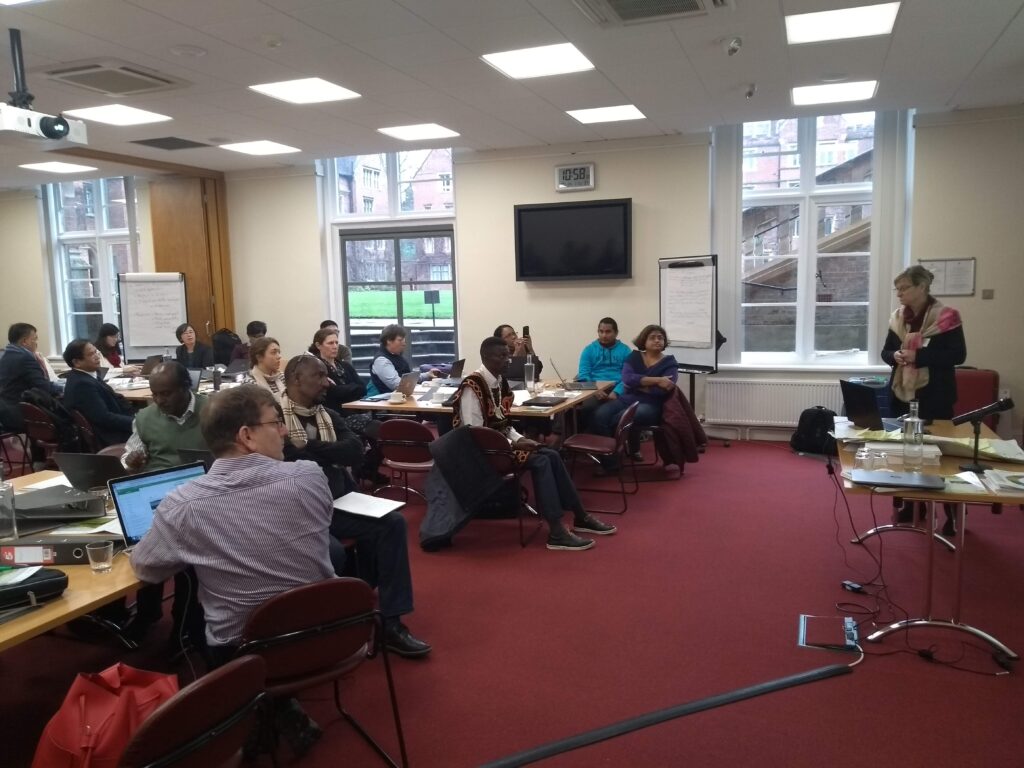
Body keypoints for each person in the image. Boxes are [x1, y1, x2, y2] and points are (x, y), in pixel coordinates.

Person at [128, 385, 339, 755]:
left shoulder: (182, 506)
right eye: (275, 422)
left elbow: (146, 570)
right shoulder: (308, 475)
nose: (284, 430)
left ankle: (250, 711)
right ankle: (278, 704)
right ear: (246, 435)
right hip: (327, 632)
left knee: (204, 599)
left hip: (246, 651)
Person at [280, 355, 430, 657]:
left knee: (393, 523)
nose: (327, 382)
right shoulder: (276, 419)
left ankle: (391, 623)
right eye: (318, 376)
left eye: (326, 375)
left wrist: (309, 447)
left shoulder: (326, 414)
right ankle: (345, 610)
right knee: (338, 549)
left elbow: (354, 452)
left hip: (340, 502)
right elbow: (290, 459)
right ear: (296, 379)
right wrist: (322, 454)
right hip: (300, 509)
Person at [451, 336, 617, 551]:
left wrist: (520, 439)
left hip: (501, 446)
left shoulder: (499, 382)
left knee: (552, 455)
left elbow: (504, 424)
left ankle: (580, 515)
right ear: (486, 358)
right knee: (541, 461)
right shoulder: (472, 386)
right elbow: (475, 433)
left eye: (508, 355)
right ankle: (556, 531)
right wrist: (513, 445)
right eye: (502, 356)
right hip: (485, 453)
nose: (509, 360)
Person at [881, 265, 966, 534]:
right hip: (902, 394)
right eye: (897, 289)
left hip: (935, 396)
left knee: (940, 456)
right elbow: (886, 352)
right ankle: (912, 505)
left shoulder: (947, 317)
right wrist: (895, 356)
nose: (899, 294)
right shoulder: (897, 318)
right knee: (906, 453)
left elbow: (958, 355)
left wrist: (919, 356)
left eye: (904, 288)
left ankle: (952, 513)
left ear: (921, 287)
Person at [593, 324, 681, 479]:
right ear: (644, 341)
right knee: (600, 415)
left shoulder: (670, 363)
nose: (657, 340)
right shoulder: (634, 357)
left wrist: (638, 384)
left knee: (620, 418)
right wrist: (657, 380)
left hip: (651, 405)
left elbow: (662, 390)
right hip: (626, 399)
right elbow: (627, 379)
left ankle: (615, 457)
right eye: (652, 337)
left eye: (660, 338)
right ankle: (611, 463)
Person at [123, 362, 209, 471]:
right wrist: (131, 461)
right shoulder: (144, 417)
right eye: (154, 394)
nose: (159, 401)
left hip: (204, 476)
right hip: (160, 477)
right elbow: (128, 456)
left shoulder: (213, 410)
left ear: (185, 387)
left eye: (166, 394)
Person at [61, 339, 134, 448]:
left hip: (114, 426)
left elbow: (117, 399)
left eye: (96, 352)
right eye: (91, 354)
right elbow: (104, 418)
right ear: (77, 362)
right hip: (109, 436)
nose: (97, 356)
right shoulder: (83, 384)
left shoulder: (88, 376)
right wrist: (136, 422)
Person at [0, 322, 62, 431]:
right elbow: (43, 387)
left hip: (6, 410)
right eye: (35, 339)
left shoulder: (6, 355)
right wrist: (63, 388)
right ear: (25, 341)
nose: (36, 343)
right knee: (66, 415)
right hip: (22, 413)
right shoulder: (25, 357)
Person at [576, 317, 631, 429]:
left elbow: (628, 376)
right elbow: (584, 374)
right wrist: (595, 390)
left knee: (605, 413)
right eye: (601, 331)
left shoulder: (625, 350)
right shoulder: (589, 350)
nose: (604, 335)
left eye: (608, 332)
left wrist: (617, 391)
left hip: (617, 387)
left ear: (616, 333)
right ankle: (586, 437)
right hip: (595, 388)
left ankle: (607, 438)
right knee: (587, 408)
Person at [368, 324, 440, 395]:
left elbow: (407, 380)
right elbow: (398, 385)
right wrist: (422, 388)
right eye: (400, 340)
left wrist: (427, 375)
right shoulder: (381, 361)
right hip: (384, 400)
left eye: (404, 340)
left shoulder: (396, 356)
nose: (404, 344)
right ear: (389, 340)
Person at [310, 328, 366, 410]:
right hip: (333, 412)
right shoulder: (317, 368)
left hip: (354, 409)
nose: (335, 346)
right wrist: (353, 387)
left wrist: (343, 389)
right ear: (318, 345)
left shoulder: (346, 365)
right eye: (330, 343)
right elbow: (333, 393)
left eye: (336, 343)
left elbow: (363, 388)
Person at [245, 336, 285, 402]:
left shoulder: (282, 377)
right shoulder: (250, 384)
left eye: (279, 352)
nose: (279, 356)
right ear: (259, 357)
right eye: (273, 353)